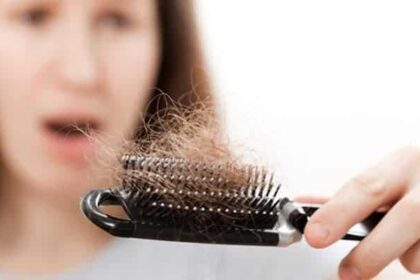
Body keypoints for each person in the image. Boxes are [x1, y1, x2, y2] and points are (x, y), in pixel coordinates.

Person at [0, 1, 418, 279]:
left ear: (166, 45)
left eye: (117, 19)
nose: (81, 71)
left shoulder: (260, 271)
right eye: (33, 15)